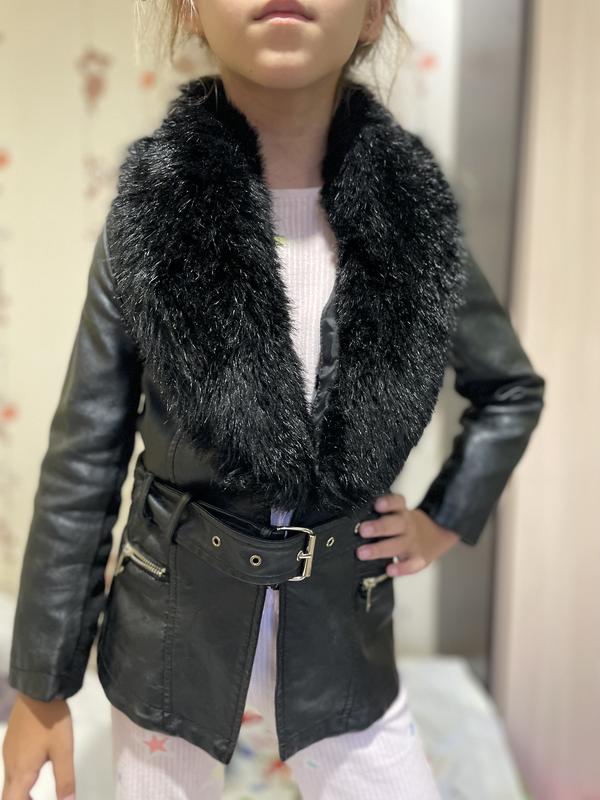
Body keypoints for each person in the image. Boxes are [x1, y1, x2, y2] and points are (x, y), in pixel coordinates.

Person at [1, 1, 546, 798]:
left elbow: (510, 389)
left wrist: (442, 521)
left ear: (373, 14)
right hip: (170, 635)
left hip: (342, 637)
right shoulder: (149, 218)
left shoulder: (416, 225)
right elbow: (84, 460)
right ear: (190, 11)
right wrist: (41, 686)